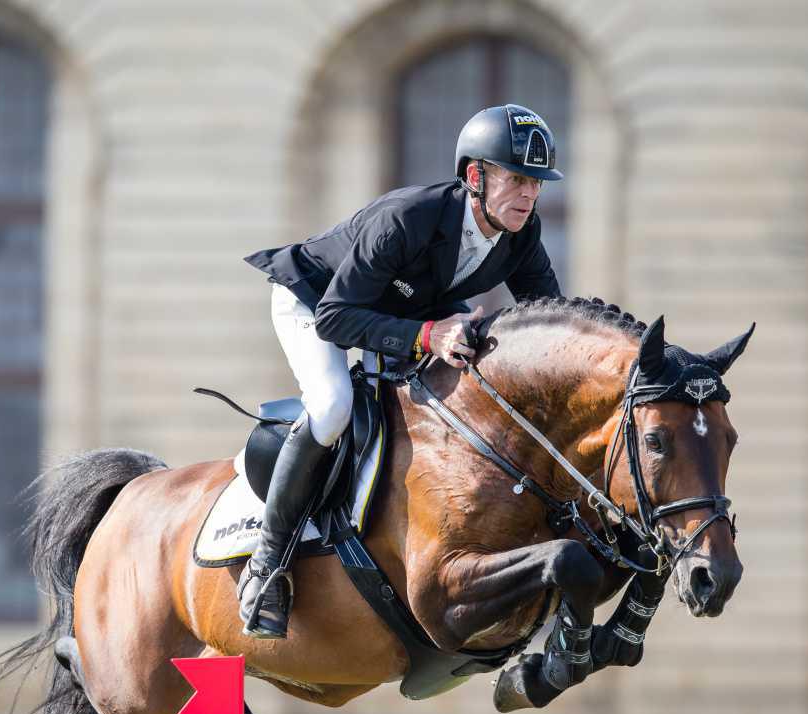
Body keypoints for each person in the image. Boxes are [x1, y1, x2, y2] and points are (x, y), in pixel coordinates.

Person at [239, 104, 565, 639]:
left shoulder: (520, 234)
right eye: (515, 179)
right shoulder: (407, 218)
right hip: (316, 302)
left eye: (535, 183)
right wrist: (427, 335)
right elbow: (336, 318)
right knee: (332, 406)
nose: (529, 195)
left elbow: (552, 317)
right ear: (475, 176)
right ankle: (266, 567)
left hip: (398, 311)